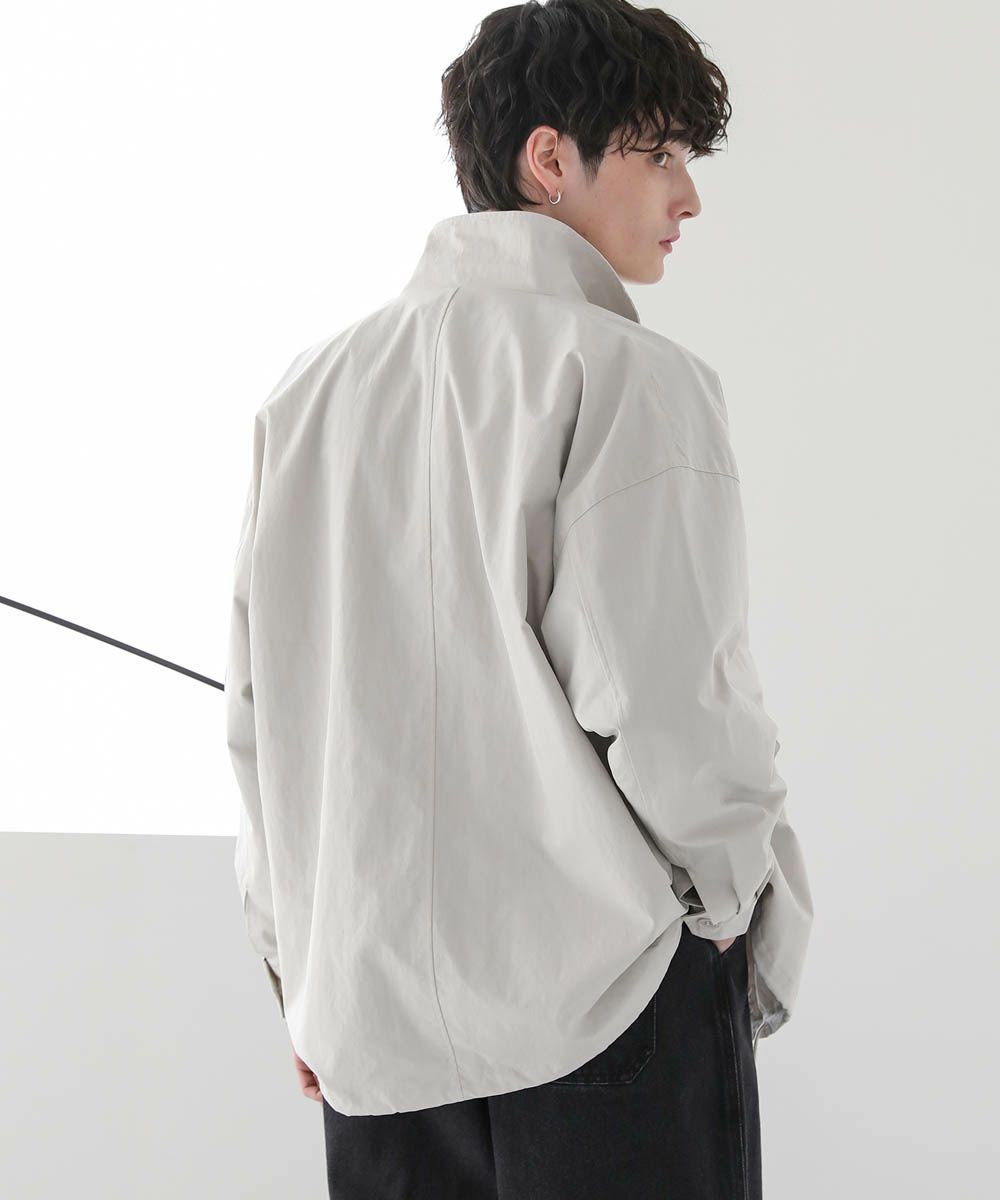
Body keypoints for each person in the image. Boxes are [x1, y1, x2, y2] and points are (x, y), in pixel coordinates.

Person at [224, 1, 813, 1196]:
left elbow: (259, 724)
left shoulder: (306, 398)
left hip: (373, 1028)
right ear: (550, 158)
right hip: (608, 1003)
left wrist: (301, 974)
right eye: (660, 152)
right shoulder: (623, 374)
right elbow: (673, 705)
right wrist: (734, 913)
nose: (687, 196)